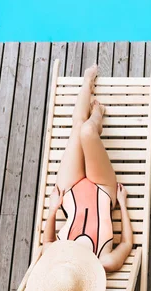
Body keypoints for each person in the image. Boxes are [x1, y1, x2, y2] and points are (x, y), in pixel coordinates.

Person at [42, 65, 132, 272]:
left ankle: (87, 82)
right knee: (88, 131)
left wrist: (54, 209)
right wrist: (122, 204)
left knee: (78, 126)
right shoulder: (105, 262)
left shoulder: (57, 257)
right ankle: (97, 117)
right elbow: (127, 244)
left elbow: (46, 242)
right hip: (102, 188)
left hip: (68, 190)